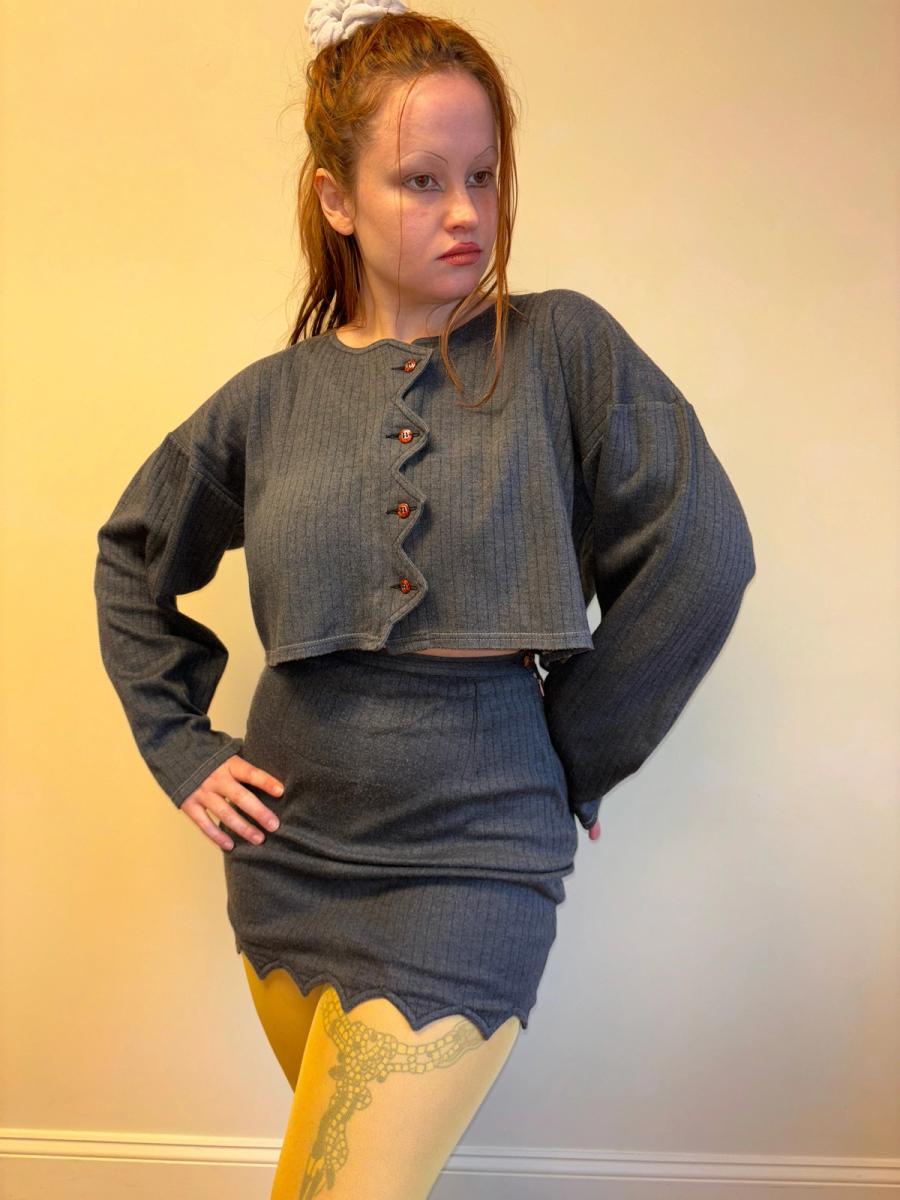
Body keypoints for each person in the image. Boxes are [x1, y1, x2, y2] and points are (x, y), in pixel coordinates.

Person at [92, 3, 756, 1197]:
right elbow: (132, 555)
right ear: (337, 197)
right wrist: (182, 748)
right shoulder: (265, 401)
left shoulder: (562, 348)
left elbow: (701, 552)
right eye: (421, 180)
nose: (466, 212)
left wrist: (578, 751)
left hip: (474, 855)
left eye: (484, 175)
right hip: (291, 858)